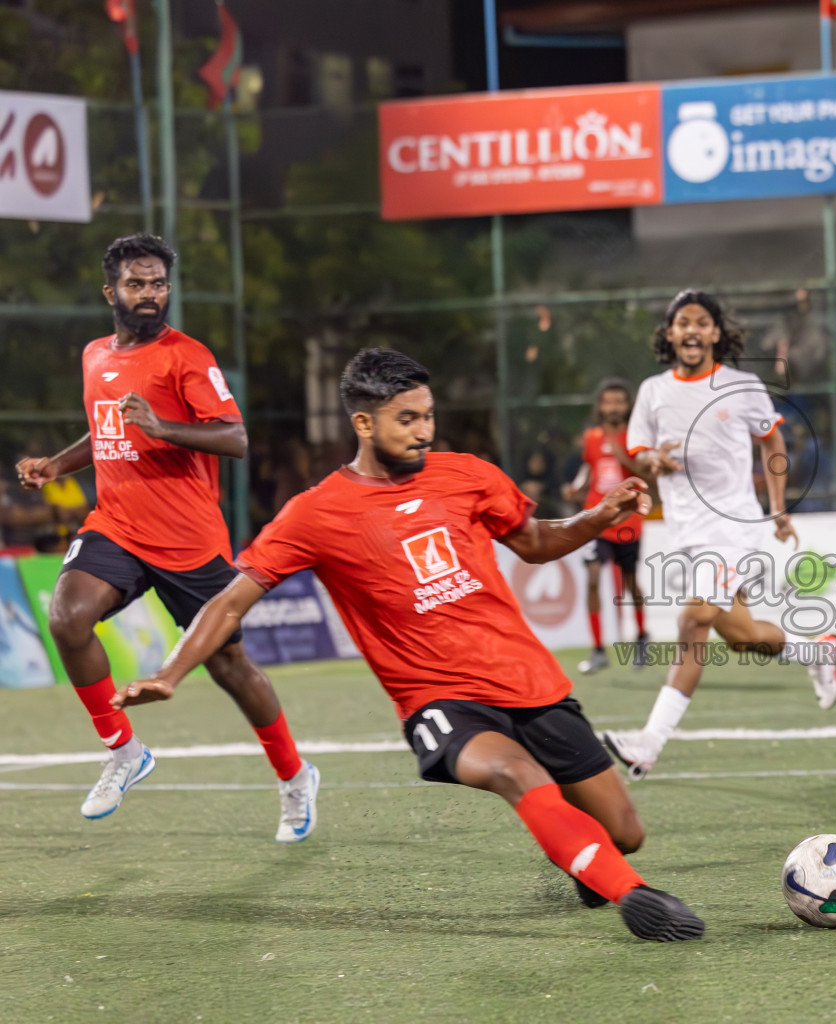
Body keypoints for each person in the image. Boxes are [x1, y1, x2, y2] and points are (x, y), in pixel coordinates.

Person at [114, 349, 704, 941]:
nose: (424, 431)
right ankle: (633, 896)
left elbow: (534, 541)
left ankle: (585, 857)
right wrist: (171, 672)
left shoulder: (467, 474)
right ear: (363, 423)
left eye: (428, 416)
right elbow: (231, 599)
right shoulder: (316, 513)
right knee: (514, 773)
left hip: (529, 681)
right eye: (407, 419)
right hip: (439, 701)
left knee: (625, 833)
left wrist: (599, 515)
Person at [15, 234, 317, 839]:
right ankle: (125, 752)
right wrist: (56, 464)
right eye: (137, 284)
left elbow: (235, 438)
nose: (150, 295)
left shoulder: (188, 357)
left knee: (230, 666)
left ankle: (294, 776)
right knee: (67, 619)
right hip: (117, 527)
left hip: (188, 542)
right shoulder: (95, 355)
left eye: (158, 284)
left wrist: (162, 426)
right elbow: (105, 433)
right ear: (111, 292)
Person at [602, 290, 836, 780]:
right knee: (743, 636)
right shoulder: (652, 391)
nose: (691, 329)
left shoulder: (743, 384)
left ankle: (649, 742)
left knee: (693, 621)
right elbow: (638, 453)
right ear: (669, 334)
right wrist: (652, 461)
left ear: (715, 333)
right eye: (682, 322)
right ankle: (815, 649)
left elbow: (771, 437)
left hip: (733, 526)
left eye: (701, 322)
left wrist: (777, 508)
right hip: (687, 532)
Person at [562, 378, 649, 675]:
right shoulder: (592, 437)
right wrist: (576, 488)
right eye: (607, 401)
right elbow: (590, 467)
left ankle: (641, 636)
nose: (613, 406)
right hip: (596, 518)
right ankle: (598, 648)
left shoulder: (635, 435)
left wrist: (621, 452)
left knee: (629, 581)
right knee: (594, 578)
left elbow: (643, 471)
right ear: (600, 405)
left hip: (627, 518)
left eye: (619, 401)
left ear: (627, 405)